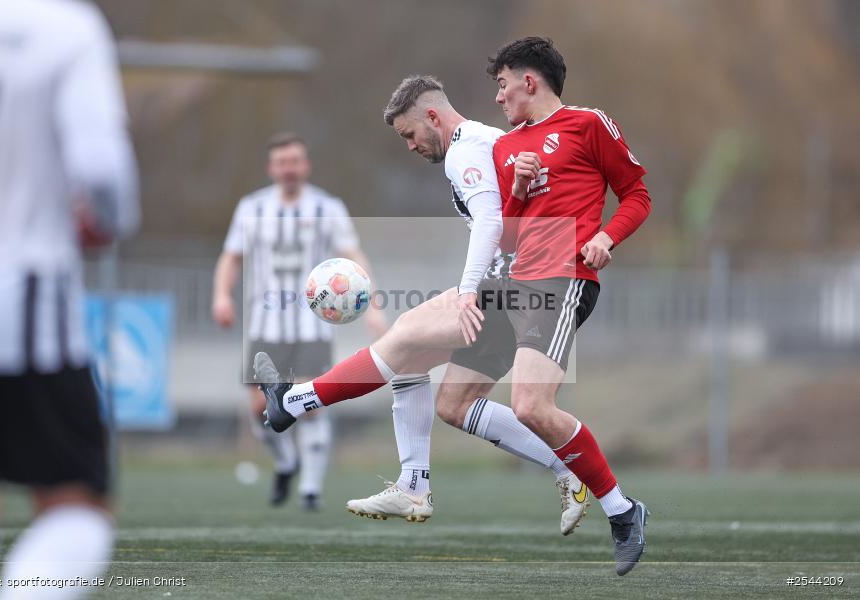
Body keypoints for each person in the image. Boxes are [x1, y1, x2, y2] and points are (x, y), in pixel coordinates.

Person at [256, 76, 589, 534]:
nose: (410, 146)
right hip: (518, 279)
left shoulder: (464, 150)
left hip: (516, 283)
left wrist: (470, 288)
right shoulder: (487, 141)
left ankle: (292, 401)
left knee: (407, 335)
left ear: (433, 117)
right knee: (450, 402)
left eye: (409, 134)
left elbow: (491, 222)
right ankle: (426, 481)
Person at [0, 1, 140, 599]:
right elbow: (102, 169)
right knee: (77, 502)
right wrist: (110, 220)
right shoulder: (67, 30)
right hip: (27, 301)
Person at [483, 36, 652, 575]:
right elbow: (507, 240)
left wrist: (606, 237)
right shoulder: (506, 148)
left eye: (503, 84)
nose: (498, 97)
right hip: (517, 283)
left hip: (566, 277)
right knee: (452, 399)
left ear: (529, 82)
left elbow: (638, 195)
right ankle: (414, 477)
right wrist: (518, 187)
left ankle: (622, 512)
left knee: (531, 405)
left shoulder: (588, 124)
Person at [213, 132, 386, 511]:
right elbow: (231, 257)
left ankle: (310, 489)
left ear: (305, 165)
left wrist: (371, 305)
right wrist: (221, 295)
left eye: (295, 161)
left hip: (312, 326)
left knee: (310, 401)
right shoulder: (251, 208)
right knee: (258, 407)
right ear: (271, 168)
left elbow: (353, 257)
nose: (288, 168)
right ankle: (286, 462)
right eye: (281, 162)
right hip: (265, 322)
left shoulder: (328, 207)